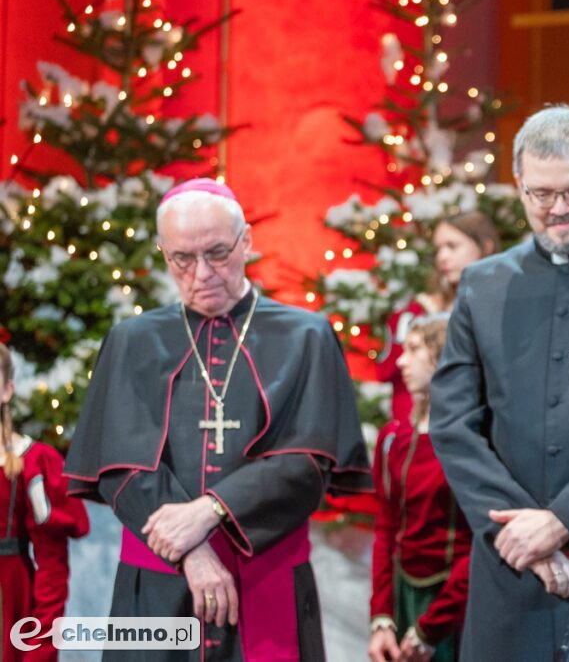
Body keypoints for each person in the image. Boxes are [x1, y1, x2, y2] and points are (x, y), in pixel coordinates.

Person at [63, 178, 370, 660]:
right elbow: (119, 466)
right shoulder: (131, 340)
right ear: (164, 253)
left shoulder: (306, 337)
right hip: (157, 584)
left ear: (246, 240)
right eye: (182, 259)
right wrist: (191, 548)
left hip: (264, 573)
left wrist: (209, 512)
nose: (202, 272)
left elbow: (310, 462)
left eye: (218, 252)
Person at [429, 104, 569, 660]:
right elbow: (453, 422)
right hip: (508, 555)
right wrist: (521, 534)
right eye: (541, 194)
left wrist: (566, 520)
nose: (558, 209)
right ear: (519, 187)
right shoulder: (482, 284)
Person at [369, 314, 472, 662]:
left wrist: (432, 626)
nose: (400, 360)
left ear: (442, 356)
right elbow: (386, 530)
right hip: (403, 596)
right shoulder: (392, 439)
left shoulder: (469, 441)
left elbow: (477, 544)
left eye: (414, 349)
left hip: (457, 604)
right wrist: (381, 617)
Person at [1, 343, 89, 662]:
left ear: (7, 390)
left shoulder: (33, 462)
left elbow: (52, 570)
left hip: (9, 610)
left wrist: (40, 648)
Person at [376, 212, 500, 422]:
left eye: (452, 246)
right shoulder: (419, 311)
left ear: (485, 247)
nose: (442, 257)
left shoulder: (502, 304)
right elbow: (394, 376)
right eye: (438, 249)